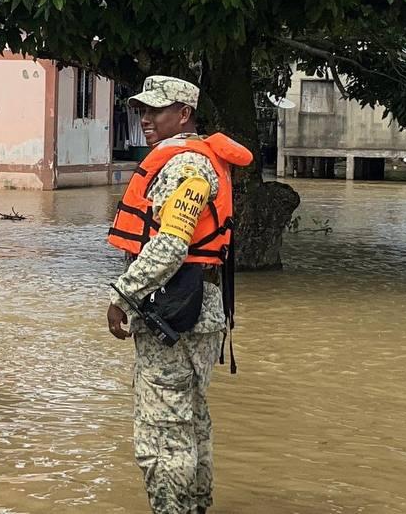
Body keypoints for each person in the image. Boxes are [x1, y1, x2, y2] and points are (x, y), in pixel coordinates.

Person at [105, 76, 251, 514]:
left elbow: (170, 244)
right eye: (142, 110)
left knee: (162, 433)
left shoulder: (186, 167)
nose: (146, 119)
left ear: (184, 113)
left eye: (157, 110)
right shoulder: (193, 160)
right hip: (198, 311)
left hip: (175, 314)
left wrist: (123, 296)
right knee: (191, 422)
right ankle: (197, 506)